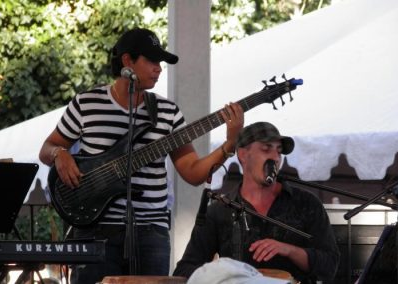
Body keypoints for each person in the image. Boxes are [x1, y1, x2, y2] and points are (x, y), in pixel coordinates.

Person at [39, 27, 244, 283]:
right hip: (94, 228)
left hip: (151, 232)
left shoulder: (167, 112)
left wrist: (229, 144)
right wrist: (60, 153)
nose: (158, 68)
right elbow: (46, 149)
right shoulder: (86, 103)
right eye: (152, 61)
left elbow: (192, 172)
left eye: (160, 62)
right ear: (127, 61)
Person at [173, 122, 340, 284]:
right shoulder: (220, 210)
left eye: (279, 151)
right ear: (243, 155)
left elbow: (330, 265)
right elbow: (185, 270)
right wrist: (220, 272)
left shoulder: (306, 204)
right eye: (266, 149)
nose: (275, 157)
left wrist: (290, 250)